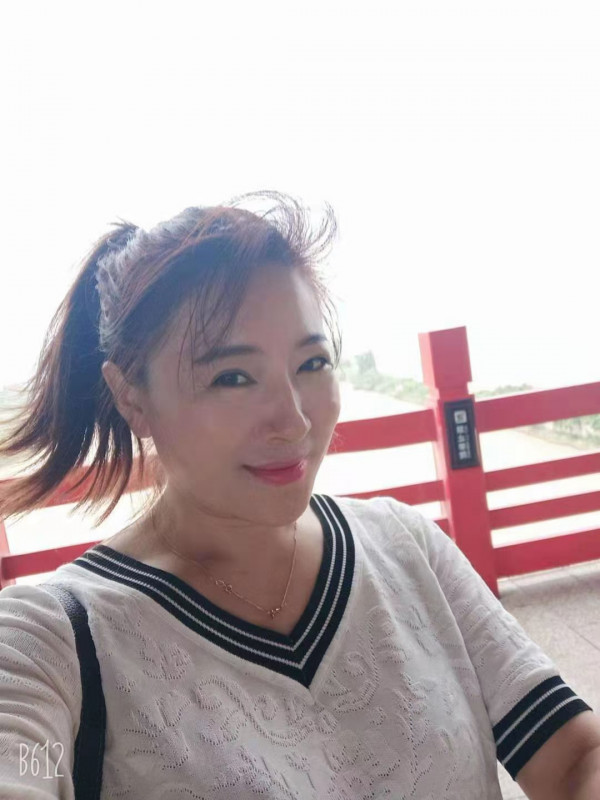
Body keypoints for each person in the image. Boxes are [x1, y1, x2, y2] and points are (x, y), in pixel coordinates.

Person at [0, 192, 598, 800]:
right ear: (131, 397)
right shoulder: (54, 642)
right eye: (232, 377)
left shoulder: (404, 546)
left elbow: (575, 756)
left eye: (312, 363)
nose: (293, 421)